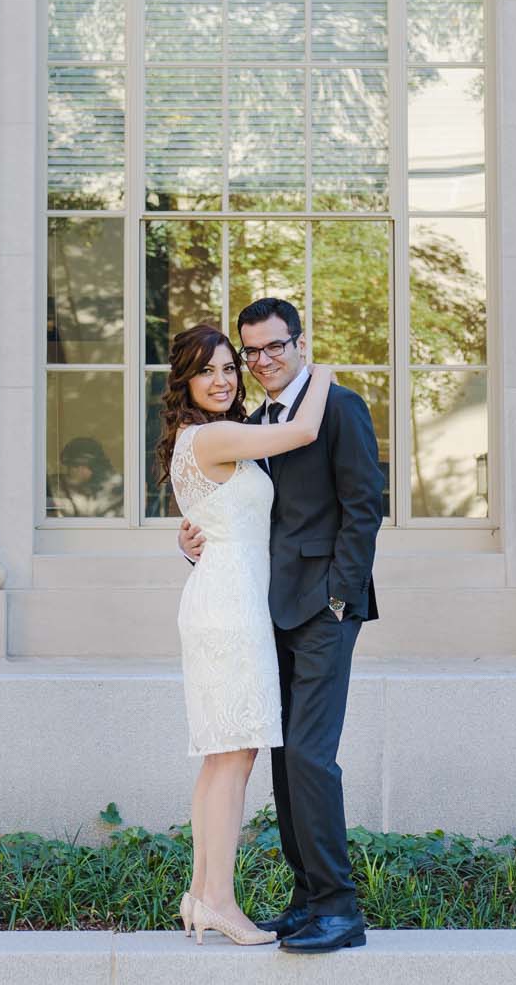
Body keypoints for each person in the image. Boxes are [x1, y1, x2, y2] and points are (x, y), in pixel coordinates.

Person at [179, 297, 383, 955]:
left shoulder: (338, 406)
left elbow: (364, 506)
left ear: (299, 343)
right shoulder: (248, 420)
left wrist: (340, 599)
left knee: (312, 756)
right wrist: (195, 537)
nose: (263, 360)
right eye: (253, 351)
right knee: (285, 755)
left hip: (323, 609)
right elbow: (242, 511)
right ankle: (308, 898)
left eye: (276, 346)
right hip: (266, 611)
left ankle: (339, 907)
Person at [156, 322, 335, 947]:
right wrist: (324, 375)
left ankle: (204, 896)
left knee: (225, 757)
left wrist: (189, 544)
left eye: (229, 367)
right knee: (232, 758)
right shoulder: (217, 435)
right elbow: (304, 430)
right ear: (185, 379)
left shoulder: (203, 437)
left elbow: (218, 520)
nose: (223, 378)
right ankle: (222, 904)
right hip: (229, 607)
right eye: (207, 369)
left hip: (223, 595)